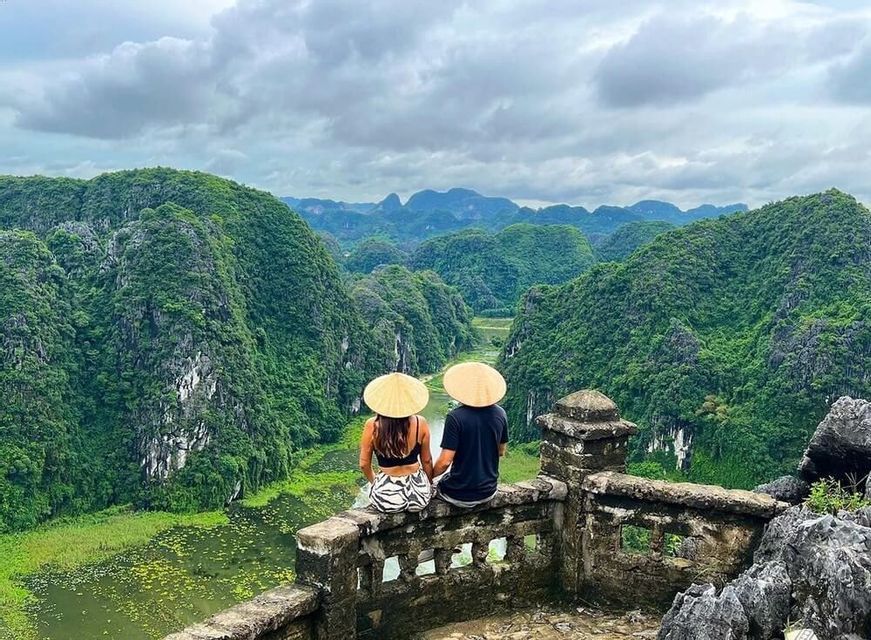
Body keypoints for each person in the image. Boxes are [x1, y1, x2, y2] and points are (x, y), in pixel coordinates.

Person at [433, 362, 508, 507]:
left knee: (438, 485)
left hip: (458, 494)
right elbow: (501, 451)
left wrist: (428, 477)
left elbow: (445, 462)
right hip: (488, 491)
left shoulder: (455, 417)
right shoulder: (501, 414)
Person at [359, 372, 434, 513]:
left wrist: (375, 482)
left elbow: (364, 464)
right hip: (418, 496)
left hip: (387, 498)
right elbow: (427, 461)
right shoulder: (420, 423)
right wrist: (428, 484)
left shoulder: (372, 425)